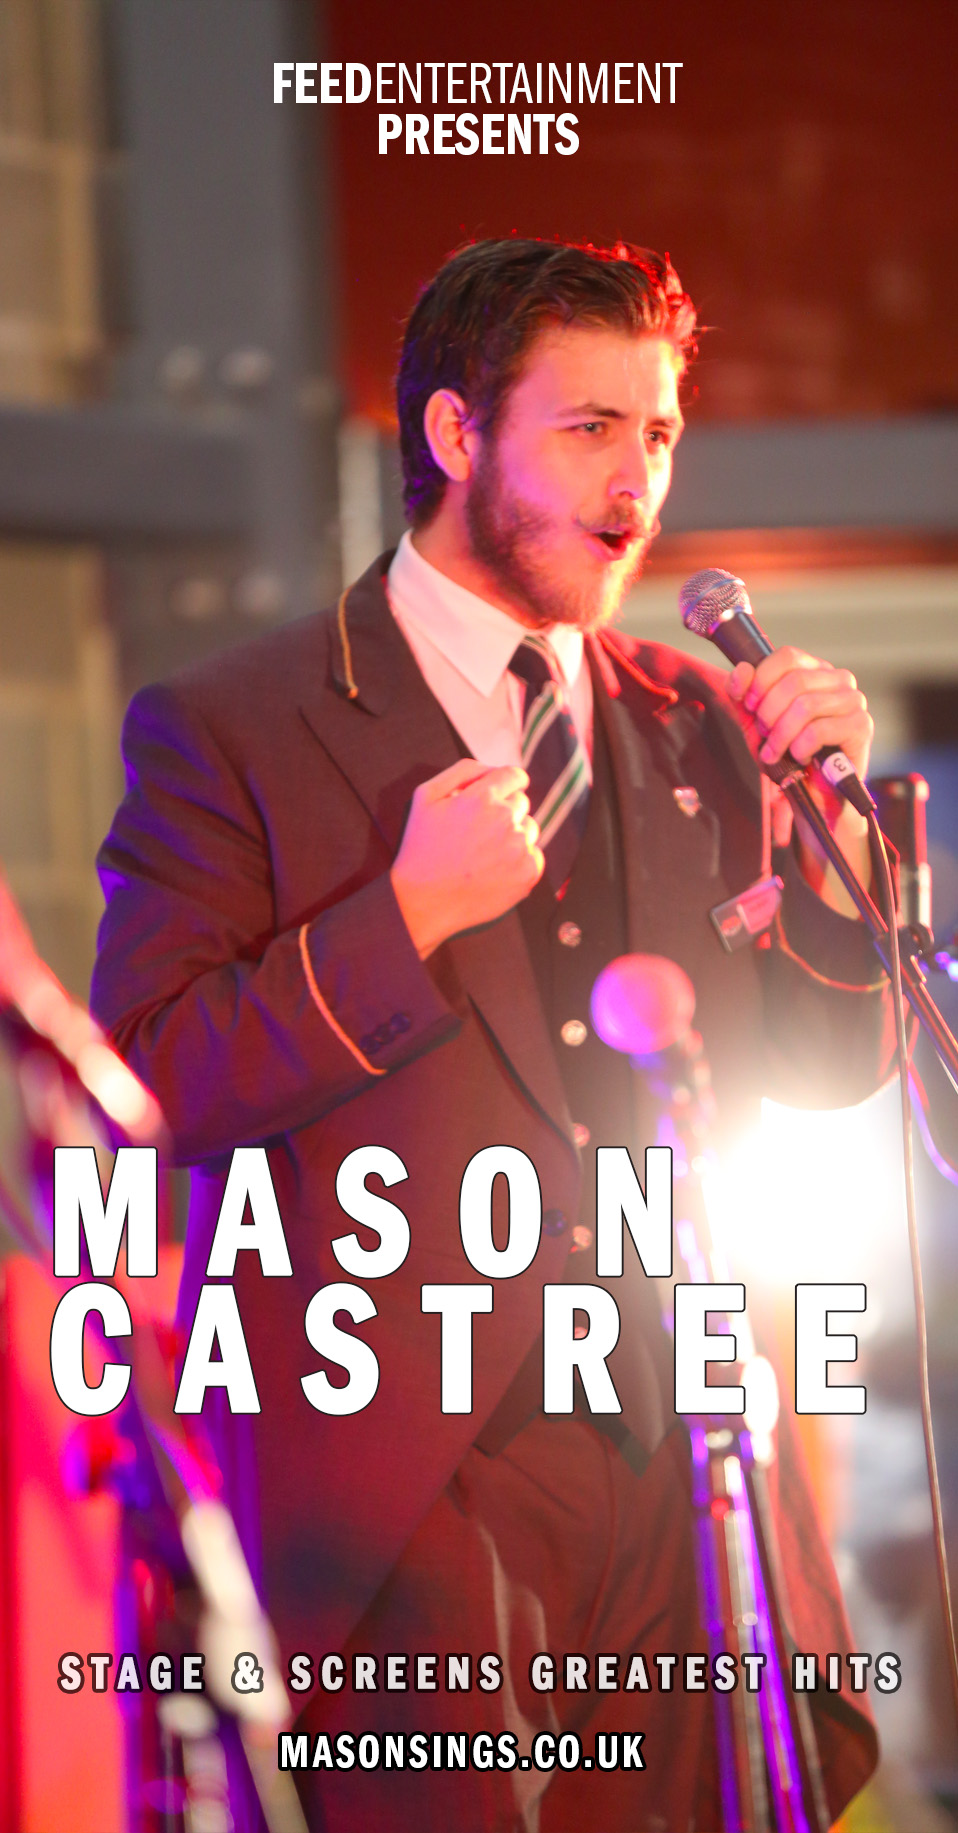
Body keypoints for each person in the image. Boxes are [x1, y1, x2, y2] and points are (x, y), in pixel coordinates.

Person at [92, 239, 894, 1832]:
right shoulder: (237, 723)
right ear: (455, 435)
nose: (635, 480)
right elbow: (147, 1085)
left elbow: (813, 1070)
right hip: (410, 1482)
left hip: (689, 1467)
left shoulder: (693, 717)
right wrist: (401, 916)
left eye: (656, 433)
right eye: (587, 428)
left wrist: (831, 867)